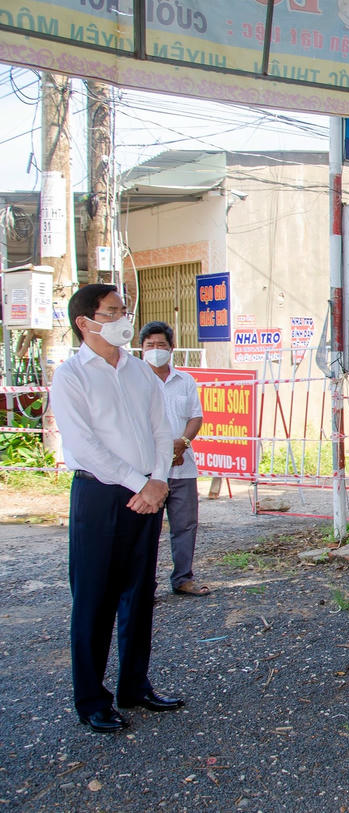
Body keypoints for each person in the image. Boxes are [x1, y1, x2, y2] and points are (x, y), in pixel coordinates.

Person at [50, 284, 181, 733]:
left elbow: (162, 429)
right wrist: (141, 483)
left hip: (149, 493)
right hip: (102, 494)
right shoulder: (71, 375)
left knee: (139, 593)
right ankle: (91, 699)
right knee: (94, 600)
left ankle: (134, 685)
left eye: (125, 310)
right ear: (86, 323)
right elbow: (84, 445)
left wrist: (159, 480)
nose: (124, 317)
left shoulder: (139, 371)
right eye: (113, 311)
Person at [140, 321, 208, 597]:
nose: (156, 350)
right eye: (150, 346)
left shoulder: (185, 381)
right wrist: (163, 453)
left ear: (172, 348)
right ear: (141, 348)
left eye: (161, 345)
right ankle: (144, 586)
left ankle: (183, 578)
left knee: (185, 525)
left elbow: (196, 416)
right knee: (145, 530)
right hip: (147, 469)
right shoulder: (136, 381)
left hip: (183, 465)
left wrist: (182, 444)